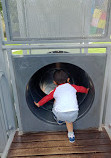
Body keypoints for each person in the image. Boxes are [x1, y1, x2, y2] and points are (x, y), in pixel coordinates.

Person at [34, 69, 89, 143]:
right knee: (69, 121)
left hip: (60, 114)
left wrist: (38, 104)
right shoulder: (73, 87)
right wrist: (86, 90)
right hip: (74, 113)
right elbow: (82, 89)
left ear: (54, 82)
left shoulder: (55, 90)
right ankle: (71, 136)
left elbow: (46, 98)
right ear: (68, 79)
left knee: (55, 102)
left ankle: (59, 120)